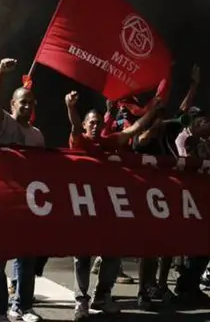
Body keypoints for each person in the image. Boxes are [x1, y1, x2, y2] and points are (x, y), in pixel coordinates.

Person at [66, 90, 162, 319]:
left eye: (98, 122)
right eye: (92, 122)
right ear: (86, 125)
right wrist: (70, 107)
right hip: (83, 209)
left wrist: (152, 110)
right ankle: (81, 301)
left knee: (112, 253)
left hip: (107, 210)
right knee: (82, 257)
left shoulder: (107, 142)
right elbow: (74, 127)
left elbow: (133, 130)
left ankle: (102, 296)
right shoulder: (79, 141)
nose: (95, 126)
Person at [0, 58, 45, 322]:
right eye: (23, 102)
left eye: (31, 102)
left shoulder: (38, 136)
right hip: (1, 201)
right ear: (13, 105)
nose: (27, 105)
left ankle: (22, 306)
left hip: (27, 202)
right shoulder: (5, 123)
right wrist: (0, 72)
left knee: (27, 259)